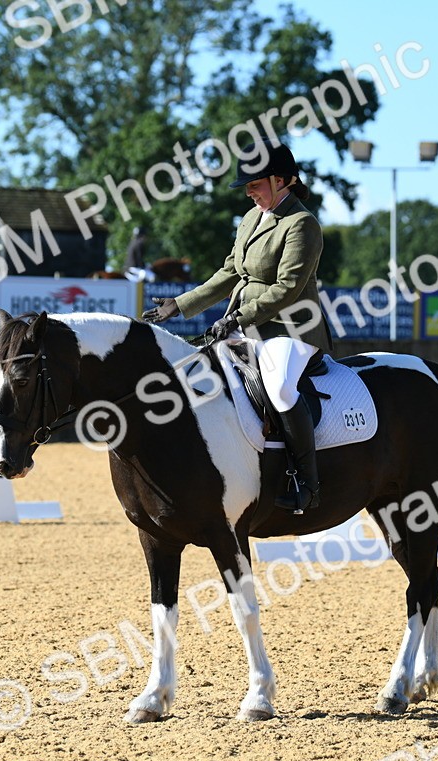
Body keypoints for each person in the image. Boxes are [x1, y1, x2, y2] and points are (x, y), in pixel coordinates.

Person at [142, 139, 331, 514]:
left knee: (278, 389)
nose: (249, 192)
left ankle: (308, 484)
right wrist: (180, 305)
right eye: (247, 186)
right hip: (243, 323)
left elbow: (287, 288)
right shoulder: (250, 219)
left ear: (282, 181)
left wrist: (237, 319)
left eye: (256, 184)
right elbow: (229, 272)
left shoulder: (302, 224)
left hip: (290, 329)